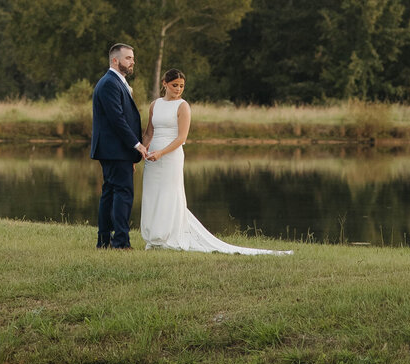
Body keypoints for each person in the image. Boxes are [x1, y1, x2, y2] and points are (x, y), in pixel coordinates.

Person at [140, 69, 292, 255]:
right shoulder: (155, 105)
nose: (178, 89)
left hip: (170, 156)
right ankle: (153, 237)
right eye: (174, 85)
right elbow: (149, 132)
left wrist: (162, 153)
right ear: (164, 83)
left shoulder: (183, 106)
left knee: (169, 193)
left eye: (181, 86)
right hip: (152, 157)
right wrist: (142, 150)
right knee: (152, 193)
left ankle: (167, 236)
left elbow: (181, 138)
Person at [91, 43, 147, 250]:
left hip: (114, 149)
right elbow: (117, 119)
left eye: (132, 58)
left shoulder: (117, 82)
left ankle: (104, 241)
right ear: (115, 60)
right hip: (114, 149)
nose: (132, 62)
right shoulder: (109, 83)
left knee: (110, 193)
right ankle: (121, 242)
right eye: (128, 58)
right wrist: (136, 145)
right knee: (123, 193)